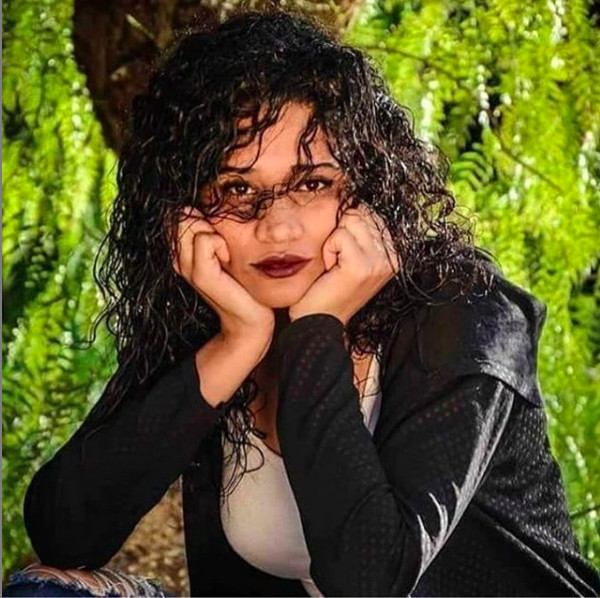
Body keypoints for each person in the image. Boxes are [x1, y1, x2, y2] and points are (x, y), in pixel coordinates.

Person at [4, 8, 599, 598]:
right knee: (45, 595)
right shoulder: (211, 318)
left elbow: (372, 583)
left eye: (314, 183)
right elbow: (65, 532)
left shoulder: (467, 318)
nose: (279, 228)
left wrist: (315, 327)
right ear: (185, 208)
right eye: (237, 188)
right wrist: (237, 343)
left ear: (366, 187)